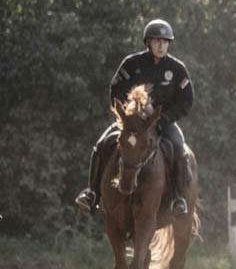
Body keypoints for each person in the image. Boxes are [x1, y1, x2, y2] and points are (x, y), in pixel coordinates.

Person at [74, 19, 194, 216]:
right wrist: (129, 114)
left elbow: (187, 101)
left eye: (165, 41)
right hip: (131, 124)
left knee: (179, 148)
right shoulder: (131, 64)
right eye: (157, 41)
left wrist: (163, 118)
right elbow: (115, 90)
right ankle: (92, 194)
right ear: (148, 42)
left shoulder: (177, 69)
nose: (161, 45)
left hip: (163, 123)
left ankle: (177, 198)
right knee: (101, 144)